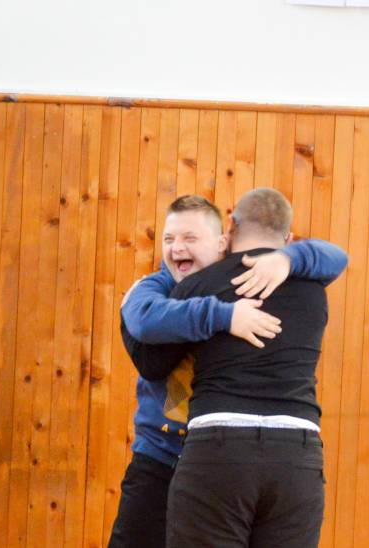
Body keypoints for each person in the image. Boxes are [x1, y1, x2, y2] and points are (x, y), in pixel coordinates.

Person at [108, 195, 347, 548]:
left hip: (209, 453)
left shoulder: (235, 278)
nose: (177, 248)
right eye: (169, 239)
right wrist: (225, 315)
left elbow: (337, 257)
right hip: (161, 454)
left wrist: (288, 257)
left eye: (190, 238)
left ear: (224, 241)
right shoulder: (158, 288)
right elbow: (146, 338)